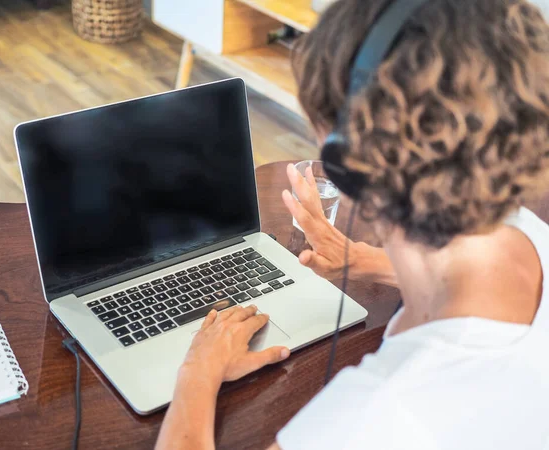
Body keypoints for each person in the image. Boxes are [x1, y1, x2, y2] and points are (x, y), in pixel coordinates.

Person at [156, 0, 549, 448]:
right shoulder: (529, 234)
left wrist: (196, 373)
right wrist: (367, 261)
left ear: (350, 163)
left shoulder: (383, 412)